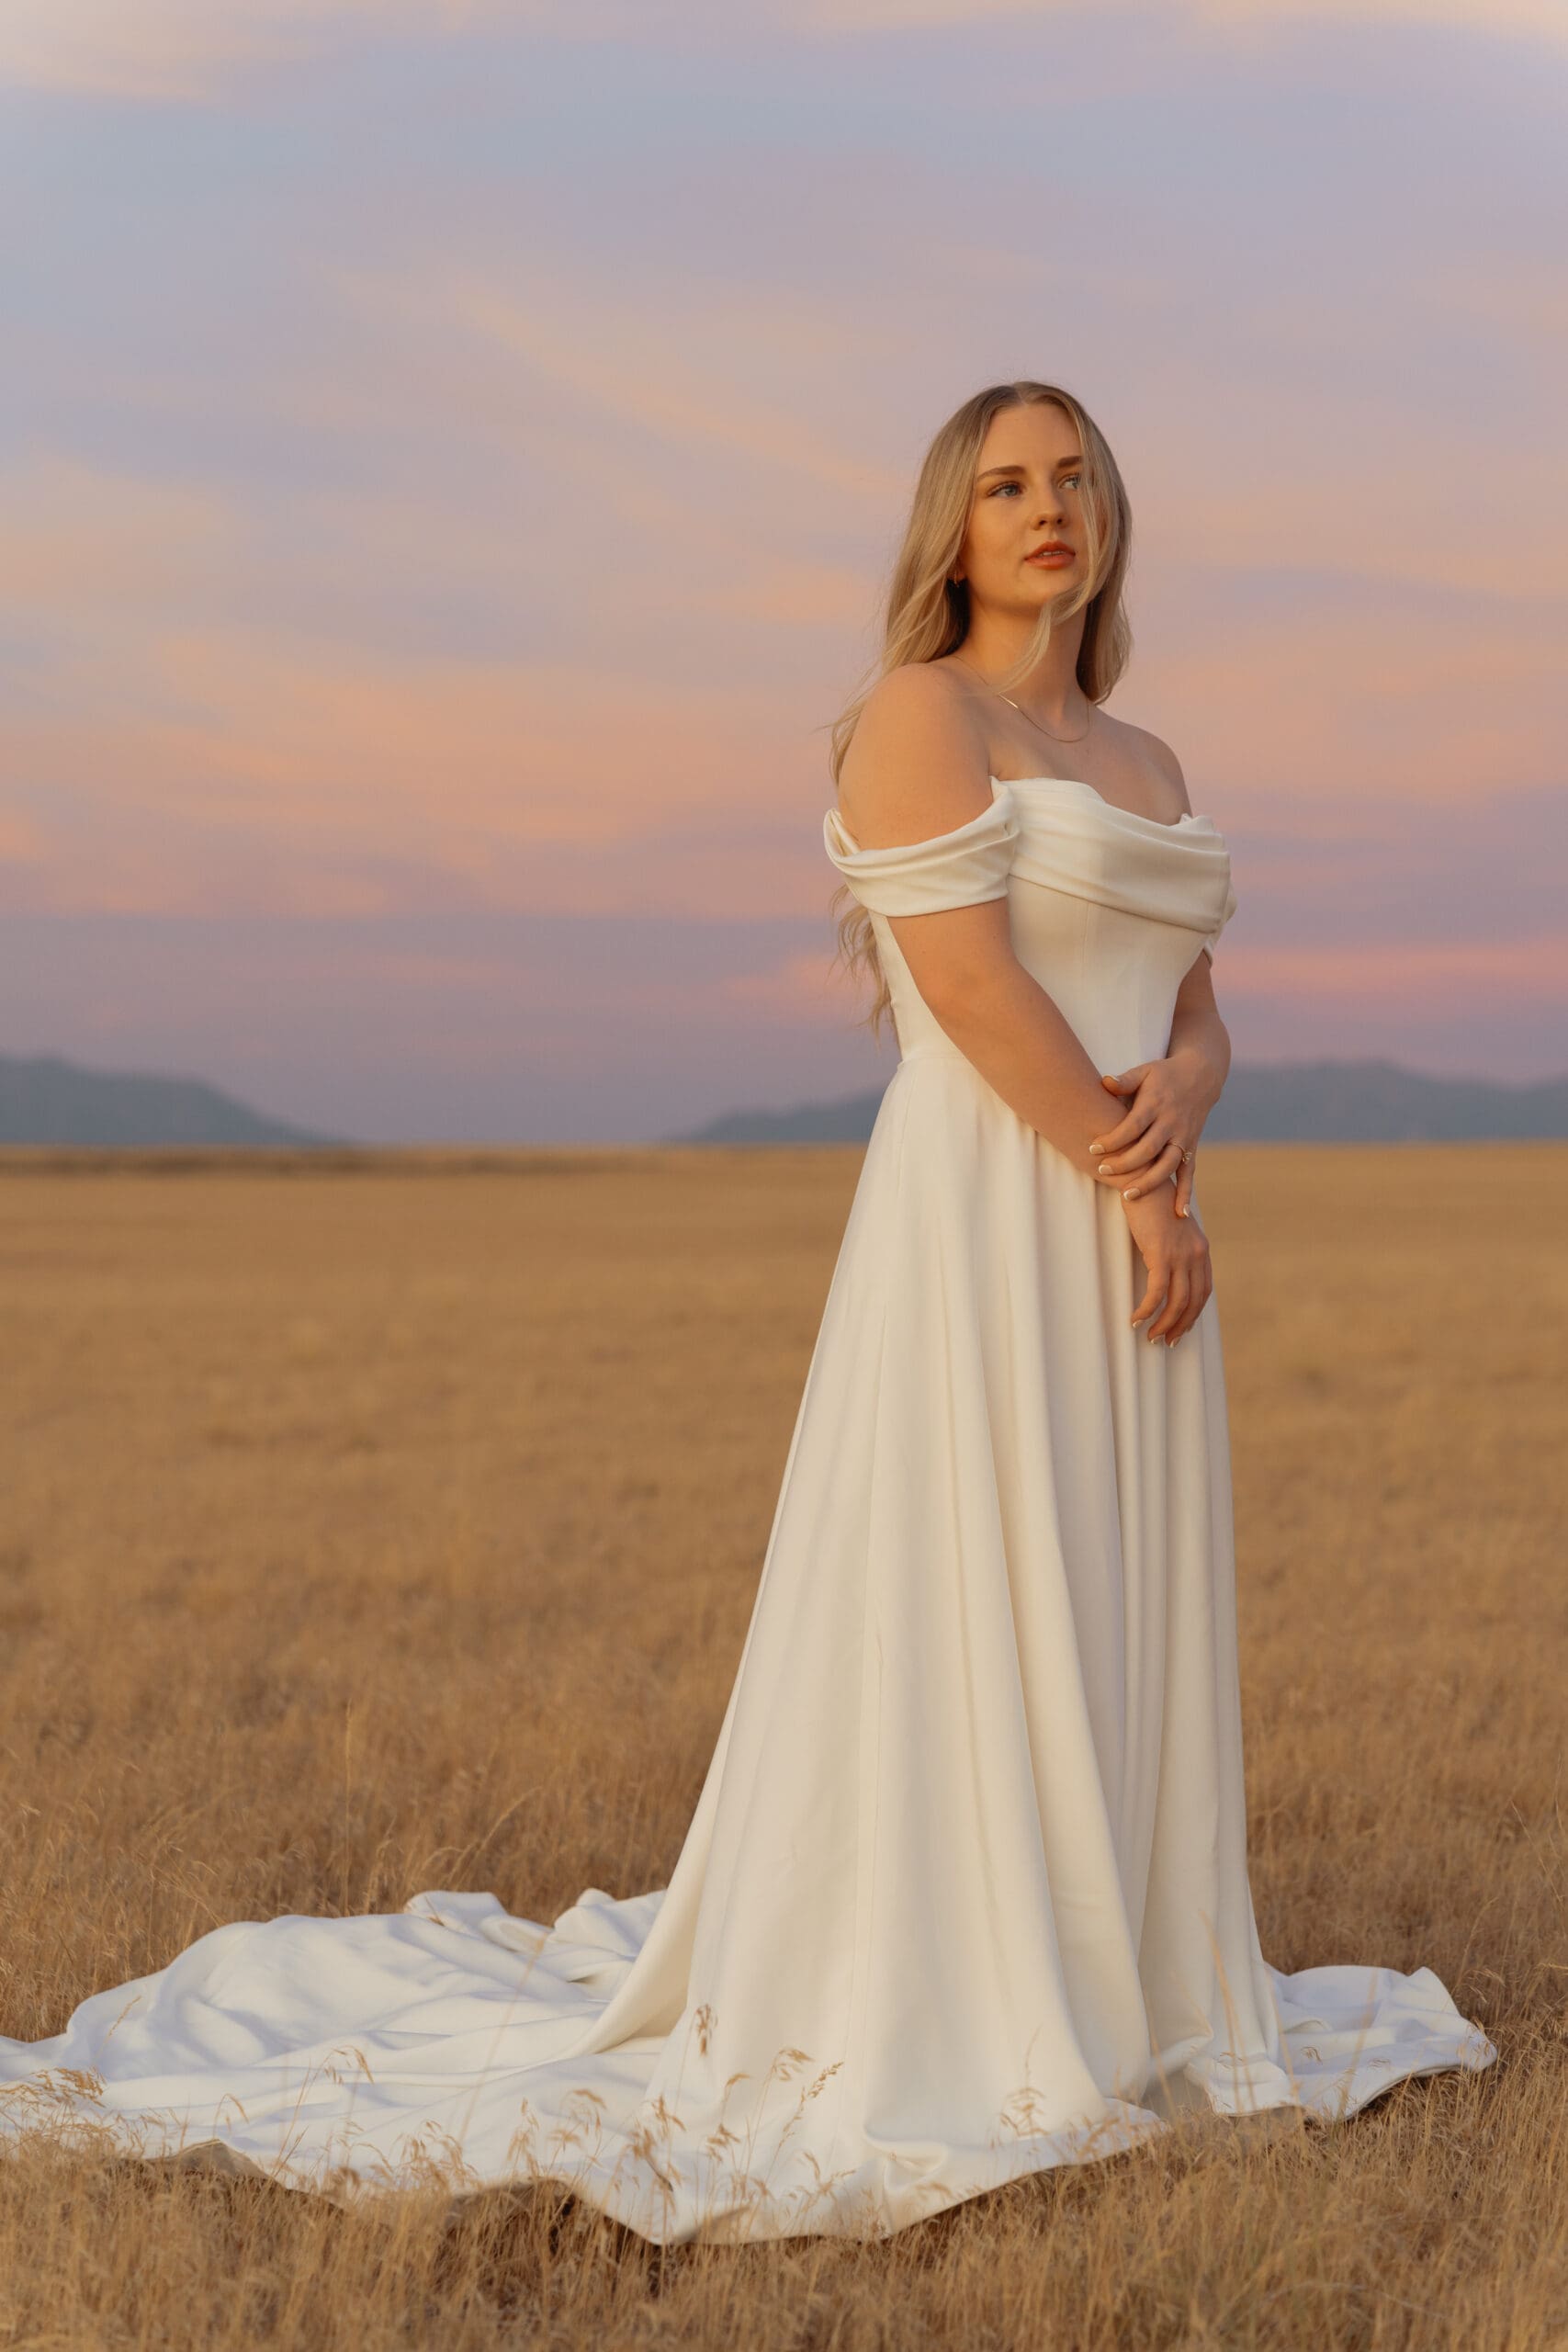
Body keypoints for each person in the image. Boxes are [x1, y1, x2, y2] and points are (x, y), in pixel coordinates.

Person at [0, 379, 1495, 2245]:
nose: (1047, 508)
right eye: (1006, 483)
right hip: (992, 1209)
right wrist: (1136, 1182)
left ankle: (1122, 1973)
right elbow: (961, 980)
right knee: (983, 1573)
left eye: (1074, 479)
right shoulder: (914, 713)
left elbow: (1183, 992)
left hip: (1133, 1201)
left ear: (1111, 516)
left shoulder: (1143, 753)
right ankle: (958, 1986)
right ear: (949, 526)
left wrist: (1188, 1097)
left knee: (1109, 1592)